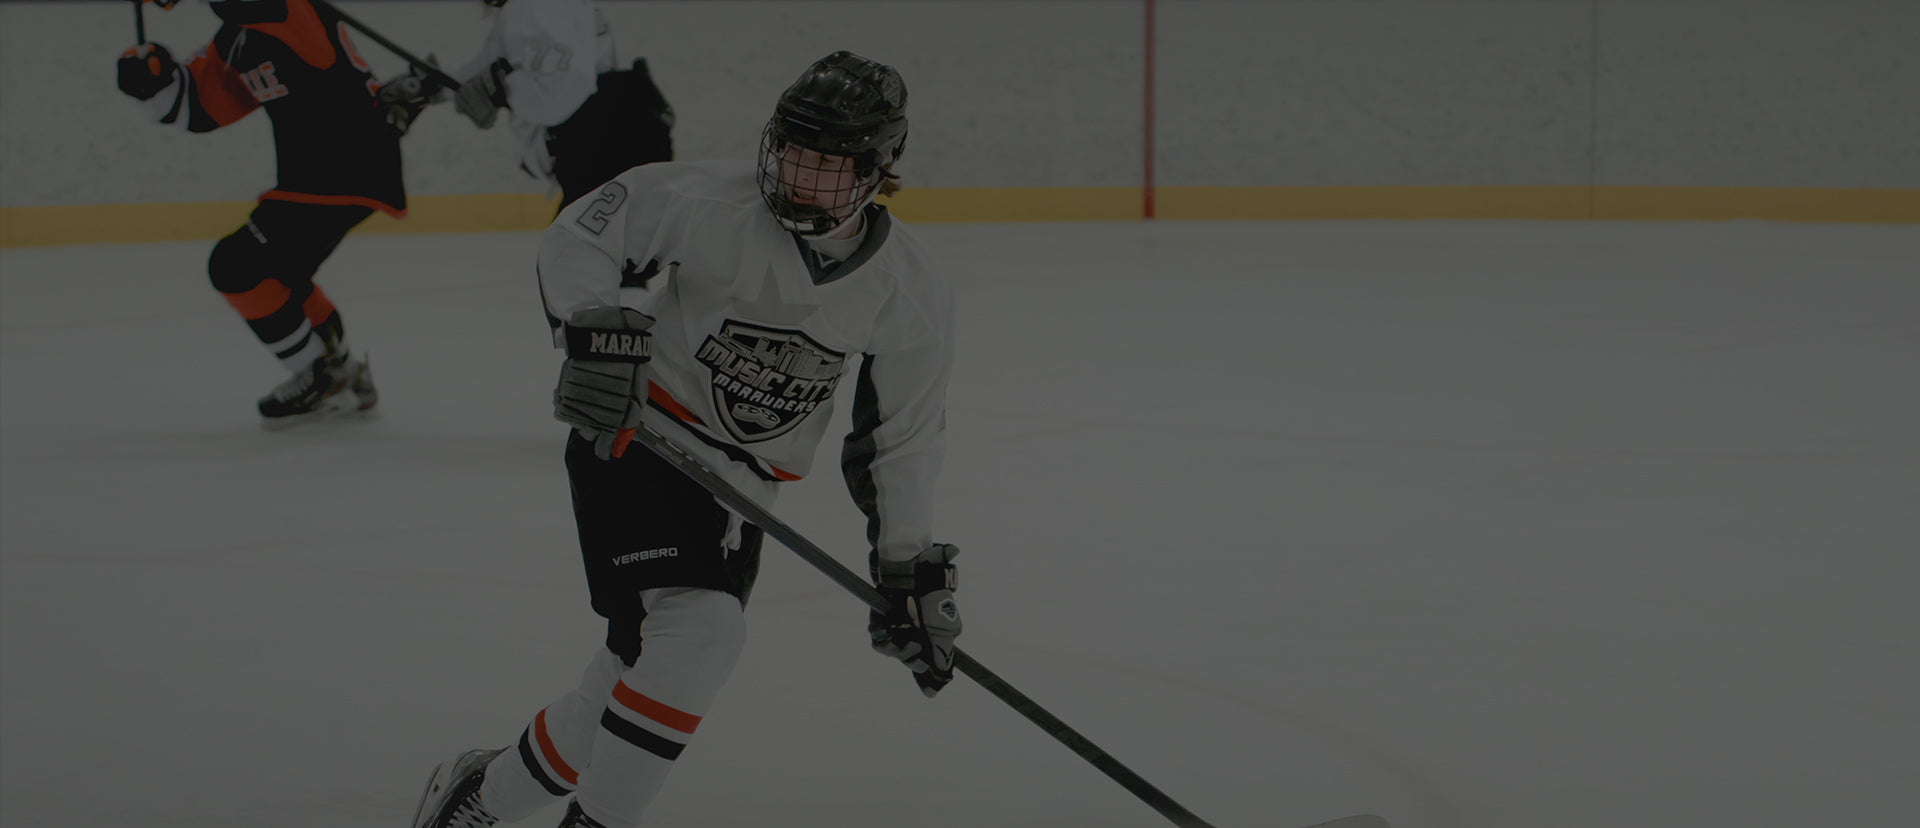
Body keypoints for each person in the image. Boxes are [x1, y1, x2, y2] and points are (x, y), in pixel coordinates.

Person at [410, 51, 961, 828]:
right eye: (791, 154)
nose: (798, 179)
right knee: (701, 636)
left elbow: (901, 438)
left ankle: (482, 794)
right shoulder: (709, 199)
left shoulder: (908, 285)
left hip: (742, 497)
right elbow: (583, 232)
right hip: (639, 439)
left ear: (876, 169)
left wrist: (905, 566)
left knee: (639, 671)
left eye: (827, 167)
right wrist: (593, 329)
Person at [116, 0, 401, 428]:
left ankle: (322, 377)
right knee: (280, 277)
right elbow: (197, 106)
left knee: (236, 266)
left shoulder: (287, 10)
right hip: (325, 179)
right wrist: (151, 80)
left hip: (345, 167)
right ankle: (344, 372)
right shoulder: (239, 36)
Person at [381, 0, 674, 211]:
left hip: (607, 142)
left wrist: (502, 91)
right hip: (621, 133)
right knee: (593, 262)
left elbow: (567, 88)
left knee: (578, 262)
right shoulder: (522, 10)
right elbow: (486, 68)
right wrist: (429, 88)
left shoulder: (532, 6)